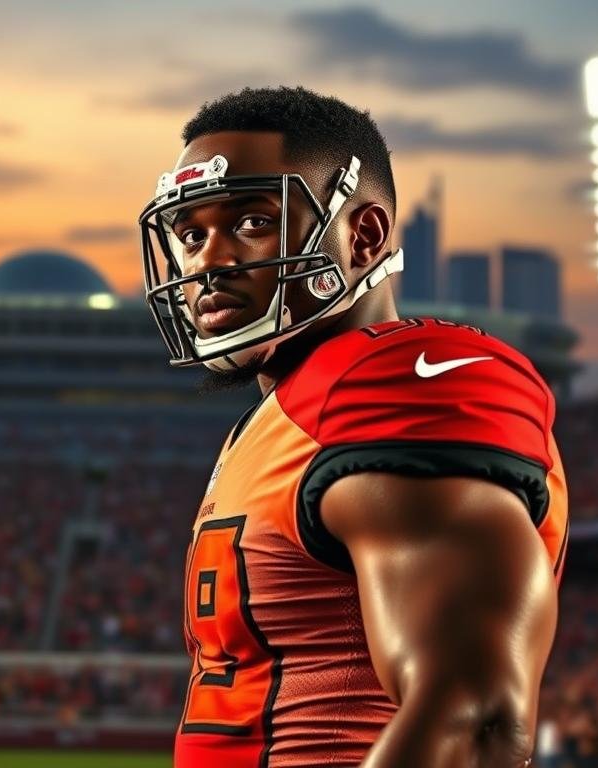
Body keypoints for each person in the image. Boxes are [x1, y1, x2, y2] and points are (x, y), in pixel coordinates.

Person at [137, 87, 569, 767]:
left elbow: (475, 720)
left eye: (251, 222)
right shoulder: (278, 419)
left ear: (362, 237)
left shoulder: (401, 379)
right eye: (191, 234)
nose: (208, 262)